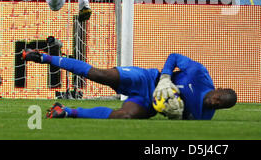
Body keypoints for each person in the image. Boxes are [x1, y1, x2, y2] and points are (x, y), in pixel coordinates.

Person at [22, 48, 237, 120]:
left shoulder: (204, 115)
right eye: (217, 98)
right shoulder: (200, 75)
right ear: (217, 89)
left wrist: (170, 112)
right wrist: (164, 78)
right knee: (100, 75)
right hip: (147, 79)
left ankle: (66, 111)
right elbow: (173, 56)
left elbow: (180, 118)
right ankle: (44, 58)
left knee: (124, 116)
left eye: (218, 105)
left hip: (148, 103)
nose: (214, 103)